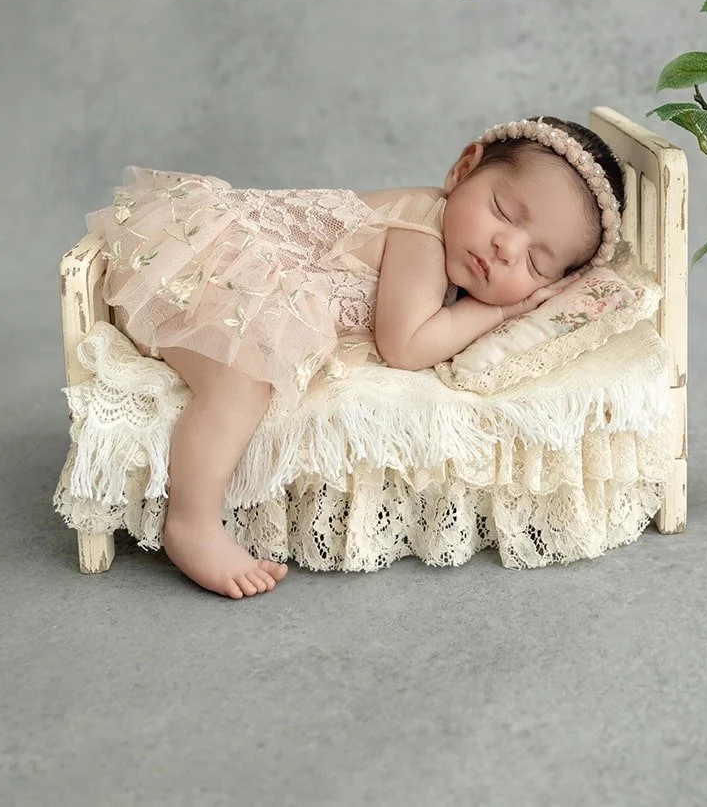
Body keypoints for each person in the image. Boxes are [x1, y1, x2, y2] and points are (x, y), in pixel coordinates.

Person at [85, 116, 626, 599]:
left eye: (536, 262)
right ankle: (192, 524)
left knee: (254, 365)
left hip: (204, 268)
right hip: (208, 278)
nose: (507, 247)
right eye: (504, 211)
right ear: (464, 170)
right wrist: (503, 313)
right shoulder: (422, 232)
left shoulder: (446, 226)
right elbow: (406, 346)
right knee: (242, 382)